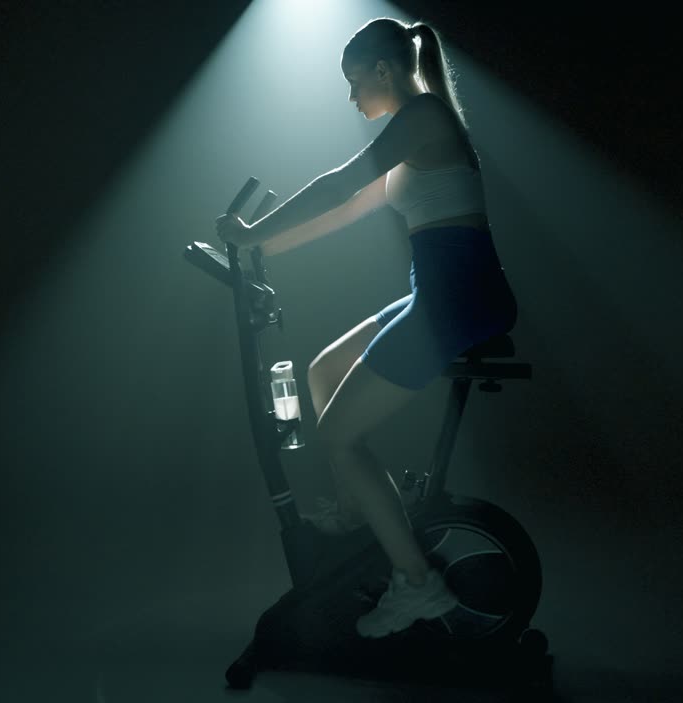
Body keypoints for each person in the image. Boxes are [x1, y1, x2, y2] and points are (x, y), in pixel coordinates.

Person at [214, 17, 518, 638]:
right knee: (322, 370)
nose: (351, 96)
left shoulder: (423, 116)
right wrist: (259, 251)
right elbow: (348, 209)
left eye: (355, 81)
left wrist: (251, 233)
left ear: (384, 70)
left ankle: (417, 584)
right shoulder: (414, 131)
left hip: (459, 300)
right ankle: (361, 515)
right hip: (441, 292)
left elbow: (336, 186)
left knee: (338, 437)